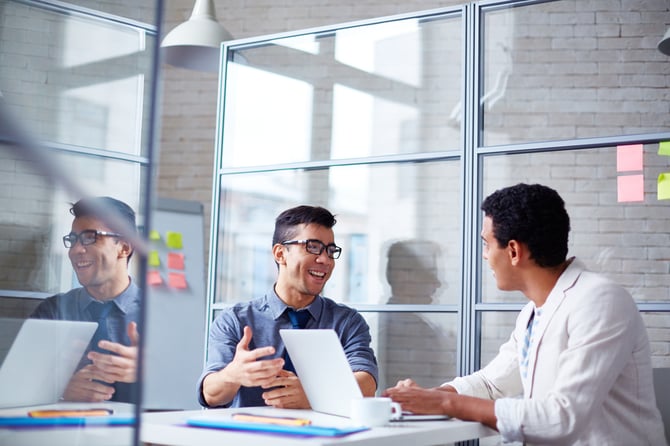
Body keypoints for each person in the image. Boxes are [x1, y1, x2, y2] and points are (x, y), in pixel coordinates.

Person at [384, 183, 666, 445]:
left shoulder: (601, 301)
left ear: (514, 251)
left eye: (486, 243)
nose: (484, 255)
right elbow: (492, 383)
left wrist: (446, 405)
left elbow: (561, 418)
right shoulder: (533, 312)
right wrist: (427, 397)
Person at [198, 205, 378, 409]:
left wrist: (312, 396)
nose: (325, 259)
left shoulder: (347, 322)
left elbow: (367, 384)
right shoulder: (236, 320)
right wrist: (233, 374)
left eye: (330, 250)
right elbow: (210, 394)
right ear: (280, 253)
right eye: (313, 246)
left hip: (322, 439)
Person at [31, 196, 140, 403]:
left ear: (124, 247)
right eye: (72, 240)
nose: (75, 250)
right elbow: (18, 383)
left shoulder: (159, 316)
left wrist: (154, 377)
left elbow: (190, 394)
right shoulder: (53, 312)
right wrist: (59, 391)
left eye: (90, 237)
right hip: (65, 433)